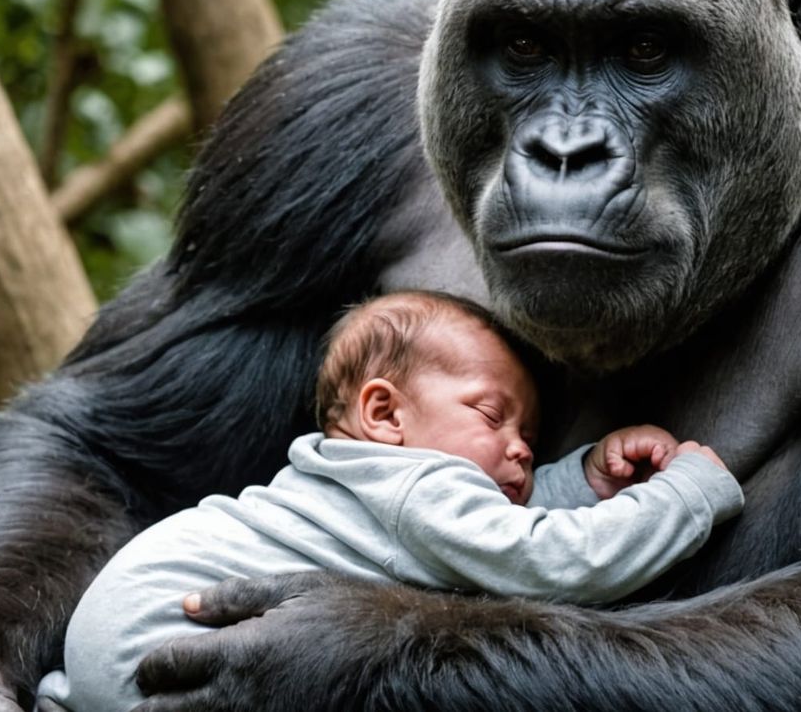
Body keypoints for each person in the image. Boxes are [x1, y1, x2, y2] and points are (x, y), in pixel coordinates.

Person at [36, 291, 743, 712]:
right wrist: (686, 494)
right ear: (385, 414)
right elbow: (551, 560)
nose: (522, 450)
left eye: (529, 439)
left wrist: (583, 480)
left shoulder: (348, 483)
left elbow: (492, 523)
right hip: (180, 659)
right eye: (492, 416)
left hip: (100, 648)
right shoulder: (418, 488)